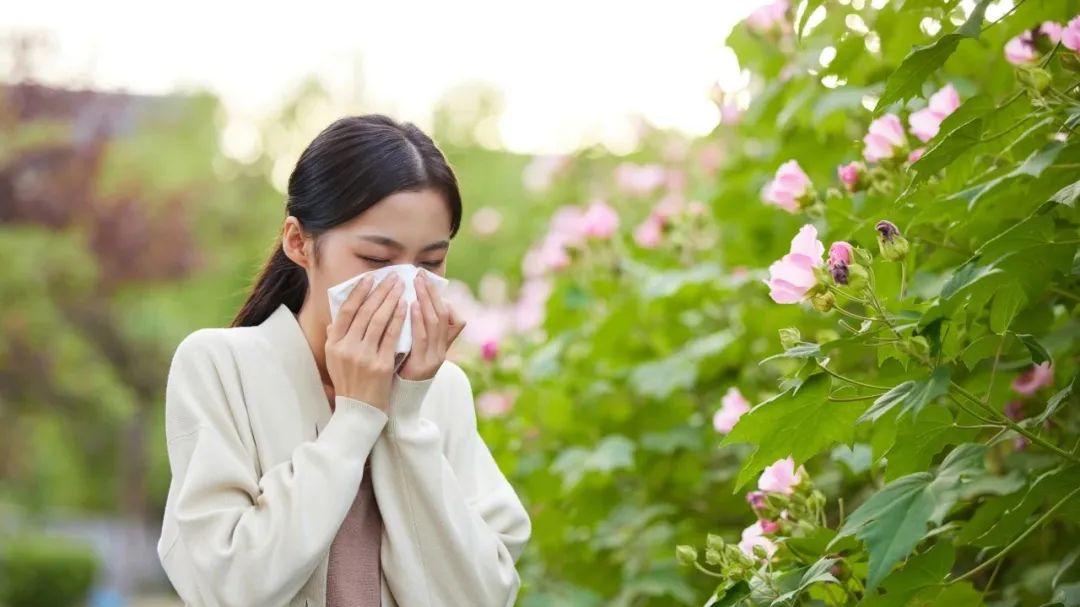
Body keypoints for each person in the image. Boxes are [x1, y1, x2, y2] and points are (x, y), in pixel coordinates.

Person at [155, 114, 532, 606]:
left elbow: (481, 596)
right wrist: (356, 418)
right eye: (376, 259)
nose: (404, 284)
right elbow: (229, 586)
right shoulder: (220, 367)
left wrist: (404, 419)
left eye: (430, 262)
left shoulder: (442, 390)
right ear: (299, 242)